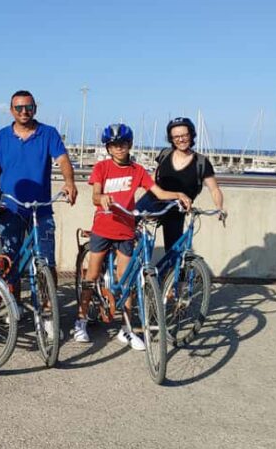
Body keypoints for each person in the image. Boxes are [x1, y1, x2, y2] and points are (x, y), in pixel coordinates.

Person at [74, 124, 192, 349]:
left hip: (126, 230)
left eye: (124, 144)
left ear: (129, 145)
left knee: (126, 281)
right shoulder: (102, 167)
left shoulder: (137, 170)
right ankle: (80, 321)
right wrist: (103, 198)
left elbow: (157, 192)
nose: (120, 149)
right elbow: (95, 195)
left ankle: (126, 329)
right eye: (115, 145)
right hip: (103, 227)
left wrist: (178, 194)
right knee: (92, 274)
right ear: (108, 148)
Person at [0, 90, 78, 304]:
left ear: (35, 109)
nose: (24, 111)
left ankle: (48, 310)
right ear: (11, 111)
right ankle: (14, 306)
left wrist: (70, 182)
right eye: (18, 108)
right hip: (10, 208)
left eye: (28, 107)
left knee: (47, 262)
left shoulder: (48, 133)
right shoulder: (1, 137)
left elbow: (63, 160)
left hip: (41, 209)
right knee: (10, 261)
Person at [148, 117, 226, 251]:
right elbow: (152, 179)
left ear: (191, 135)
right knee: (131, 226)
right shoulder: (165, 154)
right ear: (171, 139)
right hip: (155, 200)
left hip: (177, 208)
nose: (181, 139)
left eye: (184, 135)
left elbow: (214, 189)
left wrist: (219, 207)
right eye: (176, 136)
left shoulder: (201, 162)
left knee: (173, 250)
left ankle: (171, 271)